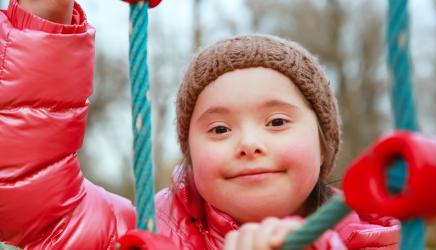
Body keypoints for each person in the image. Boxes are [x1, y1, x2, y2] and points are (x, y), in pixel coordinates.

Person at [0, 0, 400, 249]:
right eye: (220, 129)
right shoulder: (143, 234)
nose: (248, 143)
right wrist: (44, 15)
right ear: (191, 155)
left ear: (323, 143)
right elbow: (36, 202)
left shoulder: (374, 241)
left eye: (276, 121)